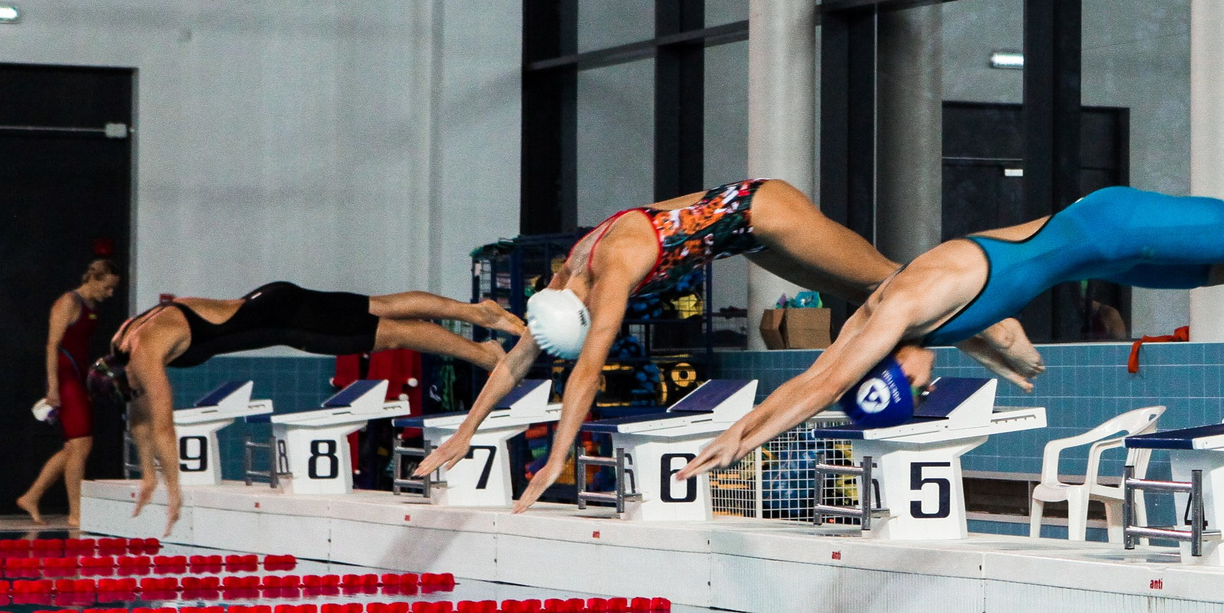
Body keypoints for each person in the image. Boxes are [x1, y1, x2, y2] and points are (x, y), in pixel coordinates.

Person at [675, 186, 1224, 482]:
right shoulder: (925, 321)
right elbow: (997, 326)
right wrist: (1012, 358)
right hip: (1110, 253)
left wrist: (740, 436)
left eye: (909, 386)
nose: (924, 385)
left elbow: (818, 385)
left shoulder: (895, 313)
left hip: (1108, 221)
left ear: (890, 361)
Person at [416, 178, 1046, 510]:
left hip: (761, 210)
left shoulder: (610, 272)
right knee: (873, 295)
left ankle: (992, 318)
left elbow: (584, 374)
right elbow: (520, 358)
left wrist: (556, 459)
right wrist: (465, 433)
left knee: (887, 280)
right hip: (741, 236)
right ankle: (969, 329)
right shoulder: (564, 276)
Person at [95, 282, 522, 528]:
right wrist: (148, 477)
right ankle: (476, 313)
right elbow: (138, 412)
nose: (140, 391)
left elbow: (162, 423)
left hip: (290, 321)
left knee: (393, 333)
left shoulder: (145, 351)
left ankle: (484, 354)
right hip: (276, 300)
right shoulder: (124, 338)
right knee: (384, 306)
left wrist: (171, 489)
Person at [15, 256, 120, 526]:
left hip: (79, 377)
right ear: (93, 279)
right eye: (107, 287)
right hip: (65, 377)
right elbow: (52, 345)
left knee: (73, 447)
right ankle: (76, 513)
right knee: (81, 444)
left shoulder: (91, 305)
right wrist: (53, 386)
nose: (110, 294)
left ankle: (31, 496)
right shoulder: (68, 302)